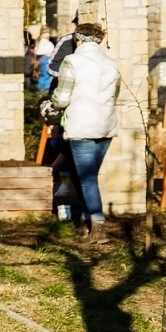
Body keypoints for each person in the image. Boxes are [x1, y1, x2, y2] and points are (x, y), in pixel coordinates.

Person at [50, 21, 121, 241]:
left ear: (77, 40)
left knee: (87, 178)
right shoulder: (112, 64)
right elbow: (114, 96)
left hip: (81, 126)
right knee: (87, 177)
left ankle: (98, 226)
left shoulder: (72, 62)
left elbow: (61, 99)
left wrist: (49, 105)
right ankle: (85, 223)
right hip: (106, 126)